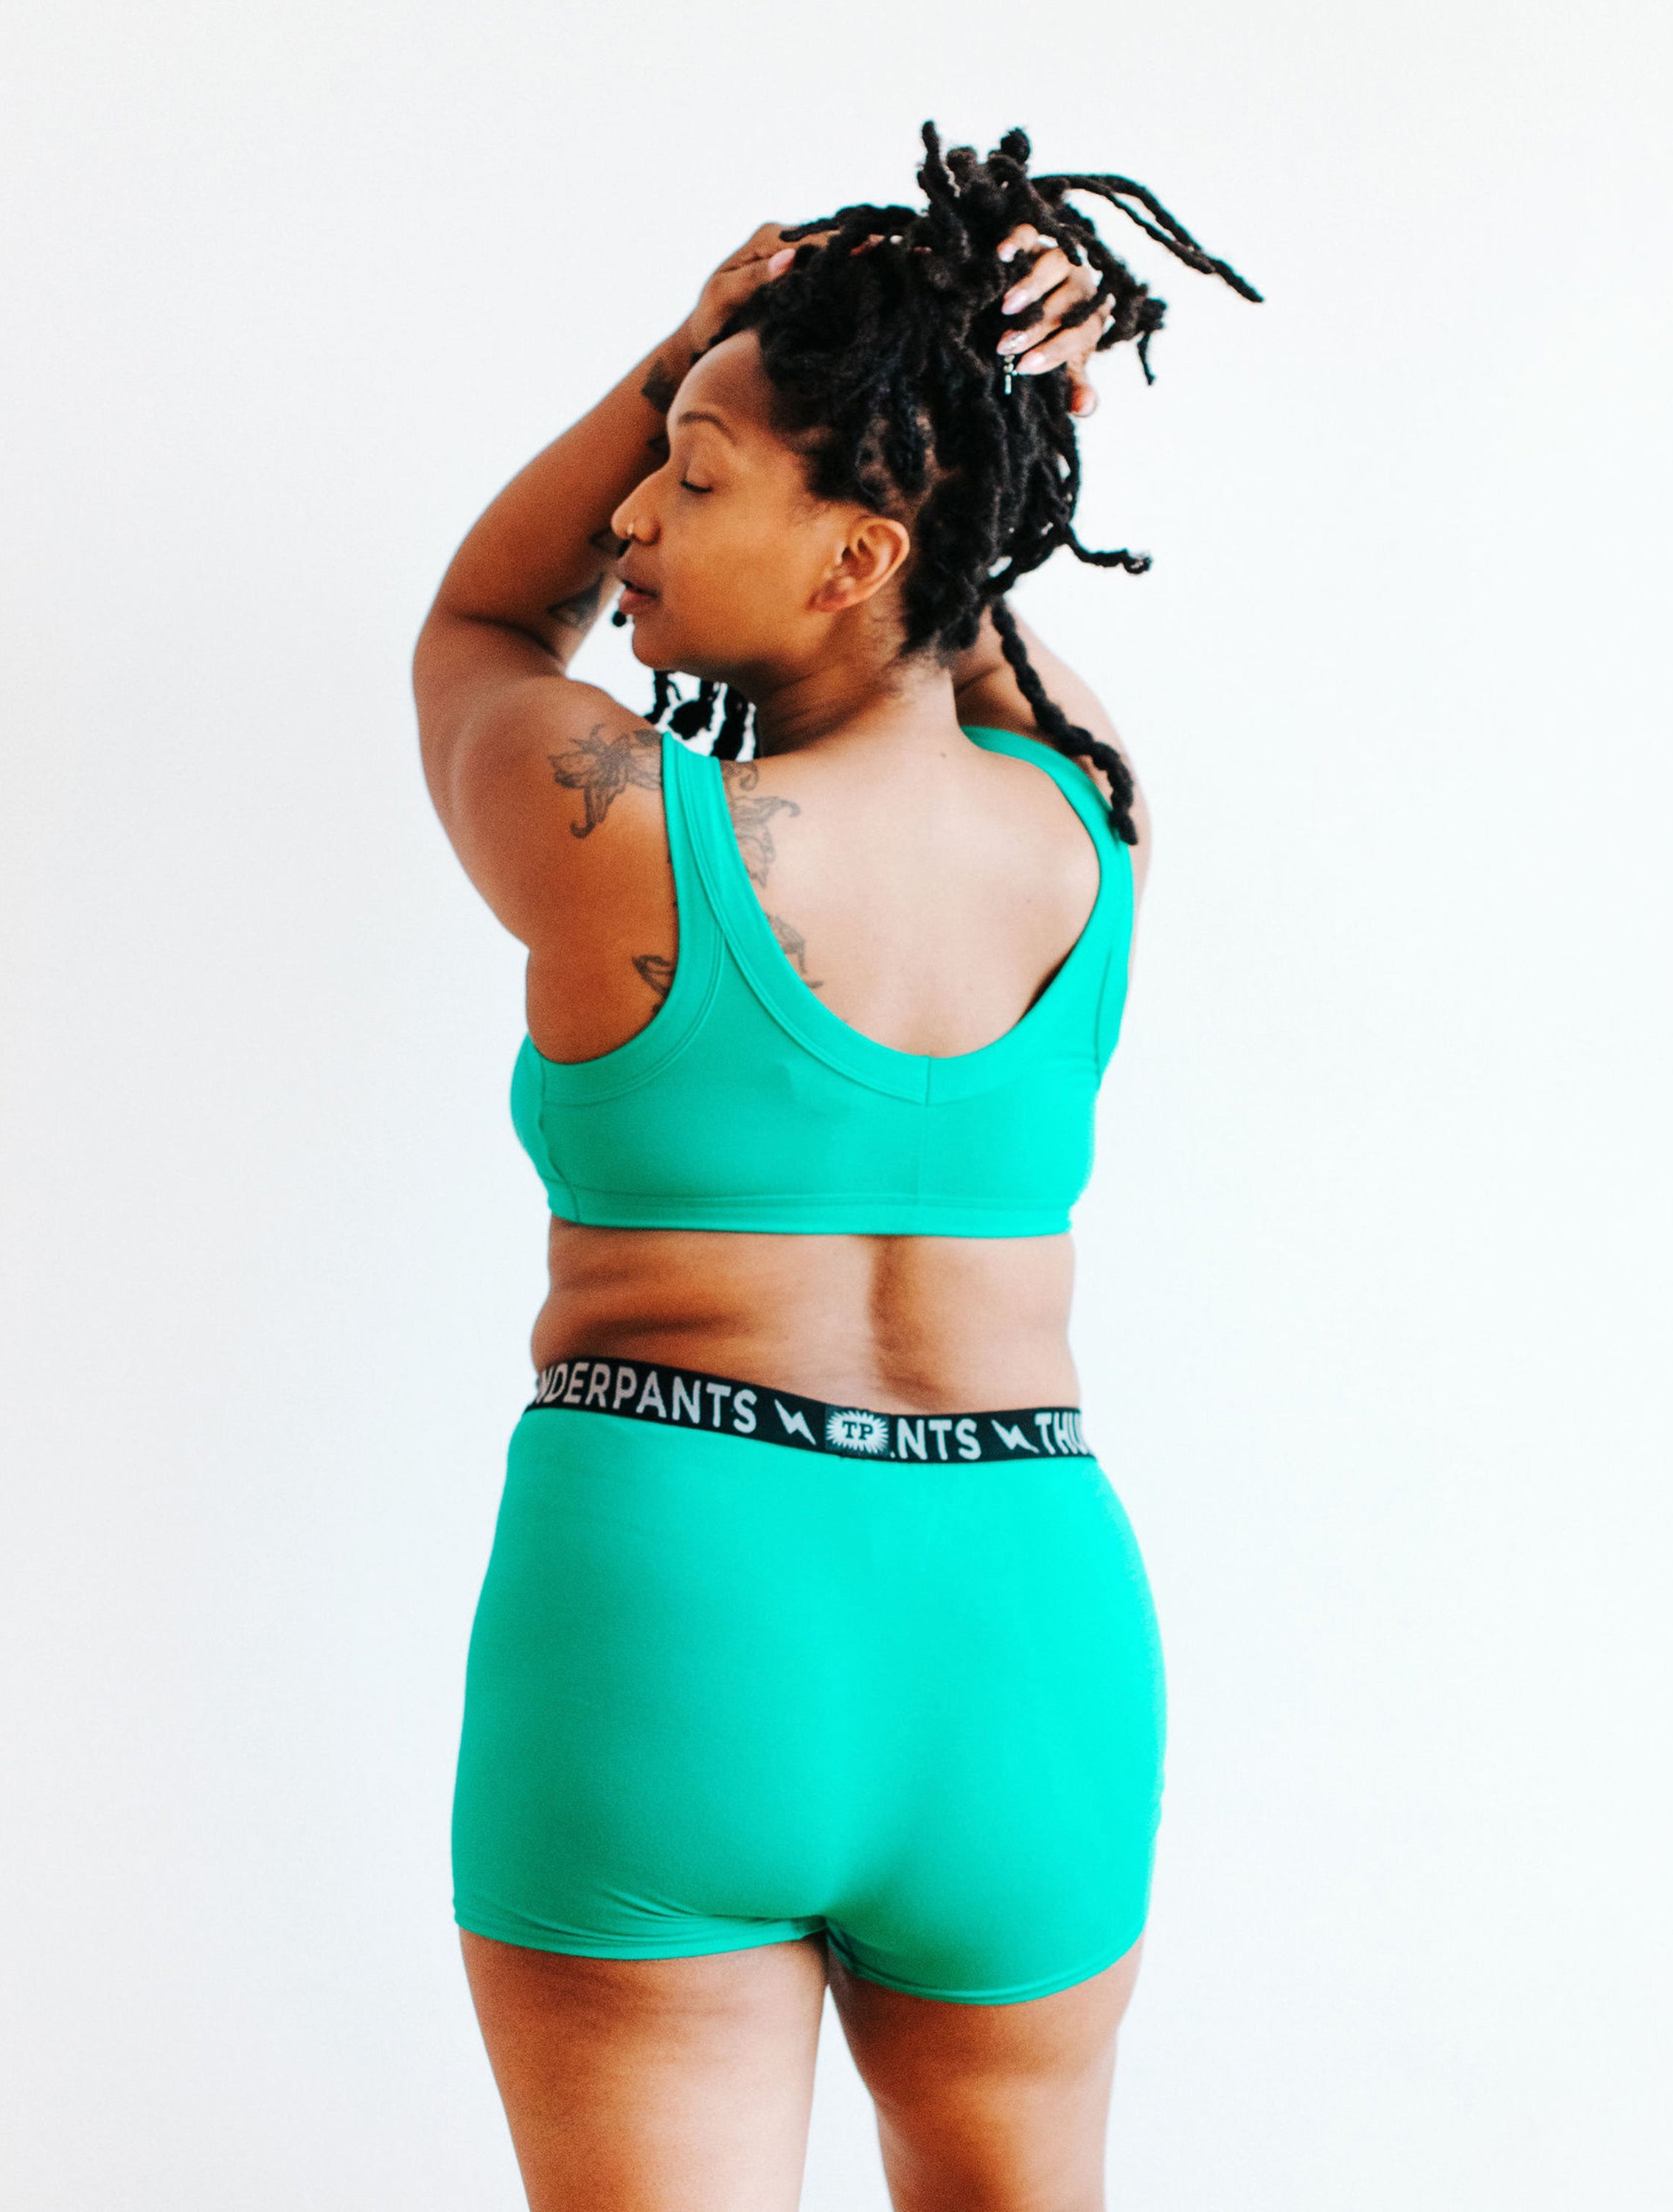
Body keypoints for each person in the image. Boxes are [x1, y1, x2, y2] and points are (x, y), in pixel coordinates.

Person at [412, 122, 1257, 2212]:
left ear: (860, 548)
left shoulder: (626, 833)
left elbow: (482, 624)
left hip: (678, 1609)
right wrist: (996, 410)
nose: (636, 510)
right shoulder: (1089, 834)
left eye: (694, 475)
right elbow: (966, 622)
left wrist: (681, 343)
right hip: (1028, 1641)